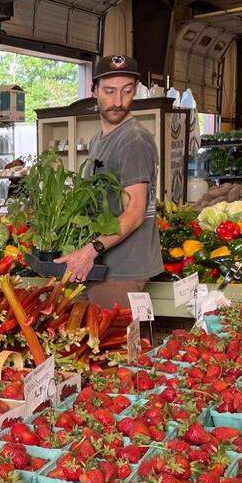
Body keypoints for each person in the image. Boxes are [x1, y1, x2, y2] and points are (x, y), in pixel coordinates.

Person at [54, 54, 163, 308]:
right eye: (109, 91)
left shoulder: (133, 140)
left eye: (126, 91)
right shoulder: (98, 140)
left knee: (114, 346)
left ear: (135, 91)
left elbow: (135, 213)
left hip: (122, 272)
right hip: (103, 267)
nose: (118, 102)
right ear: (94, 91)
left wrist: (89, 251)